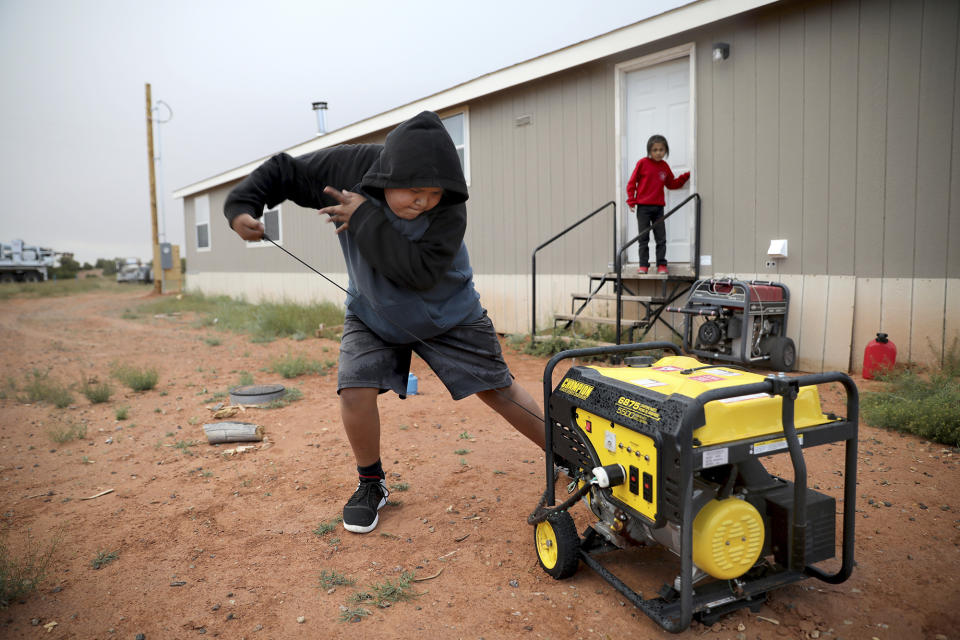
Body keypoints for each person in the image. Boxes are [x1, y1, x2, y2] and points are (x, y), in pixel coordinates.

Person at [224, 111, 545, 534]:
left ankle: (567, 457)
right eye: (415, 191)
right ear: (390, 173)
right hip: (372, 310)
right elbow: (284, 171)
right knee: (354, 390)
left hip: (447, 313)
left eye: (433, 194)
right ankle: (371, 484)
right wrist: (241, 207)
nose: (424, 202)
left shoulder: (449, 210)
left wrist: (364, 218)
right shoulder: (349, 170)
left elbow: (416, 272)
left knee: (498, 389)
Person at [625, 134, 690, 274]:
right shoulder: (642, 163)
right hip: (643, 207)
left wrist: (686, 176)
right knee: (643, 238)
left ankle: (661, 265)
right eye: (655, 150)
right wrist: (631, 200)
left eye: (661, 149)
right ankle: (643, 265)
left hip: (658, 208)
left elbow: (672, 184)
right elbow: (632, 182)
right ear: (649, 151)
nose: (658, 152)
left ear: (666, 150)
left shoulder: (664, 166)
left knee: (661, 237)